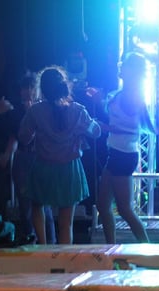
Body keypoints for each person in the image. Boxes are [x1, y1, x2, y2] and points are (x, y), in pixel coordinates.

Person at [18, 66, 101, 244]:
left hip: (43, 166)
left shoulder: (35, 111)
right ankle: (64, 257)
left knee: (37, 206)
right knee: (66, 223)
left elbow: (24, 138)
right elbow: (96, 132)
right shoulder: (77, 110)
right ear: (64, 86)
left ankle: (43, 247)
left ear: (42, 89)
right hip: (69, 169)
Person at [96, 52, 154, 244]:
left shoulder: (132, 95)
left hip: (124, 154)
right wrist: (100, 102)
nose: (120, 67)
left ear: (131, 71)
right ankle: (110, 247)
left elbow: (131, 128)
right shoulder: (123, 93)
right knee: (103, 205)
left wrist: (108, 128)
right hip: (117, 153)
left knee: (124, 209)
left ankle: (147, 248)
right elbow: (118, 118)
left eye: (124, 65)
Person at [8, 73, 57, 244]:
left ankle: (50, 243)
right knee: (25, 204)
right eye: (25, 88)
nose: (28, 91)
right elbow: (17, 136)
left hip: (41, 156)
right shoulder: (15, 110)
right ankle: (31, 240)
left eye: (31, 87)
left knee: (44, 205)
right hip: (22, 157)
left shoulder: (44, 108)